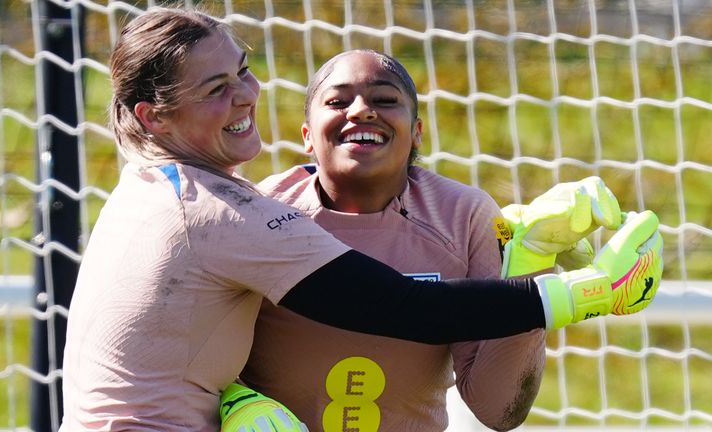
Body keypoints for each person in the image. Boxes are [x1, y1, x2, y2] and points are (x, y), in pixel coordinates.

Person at [59, 7, 663, 432]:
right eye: (216, 87)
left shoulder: (154, 188)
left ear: (419, 129)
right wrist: (588, 293)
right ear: (155, 117)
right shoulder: (234, 210)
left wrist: (528, 256)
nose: (244, 93)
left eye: (242, 69)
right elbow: (402, 307)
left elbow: (166, 342)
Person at [239, 49, 542, 432]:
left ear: (417, 132)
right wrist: (236, 401)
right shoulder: (258, 212)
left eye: (384, 100)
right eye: (337, 101)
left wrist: (534, 268)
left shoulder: (464, 215)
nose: (362, 111)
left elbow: (499, 410)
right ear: (307, 137)